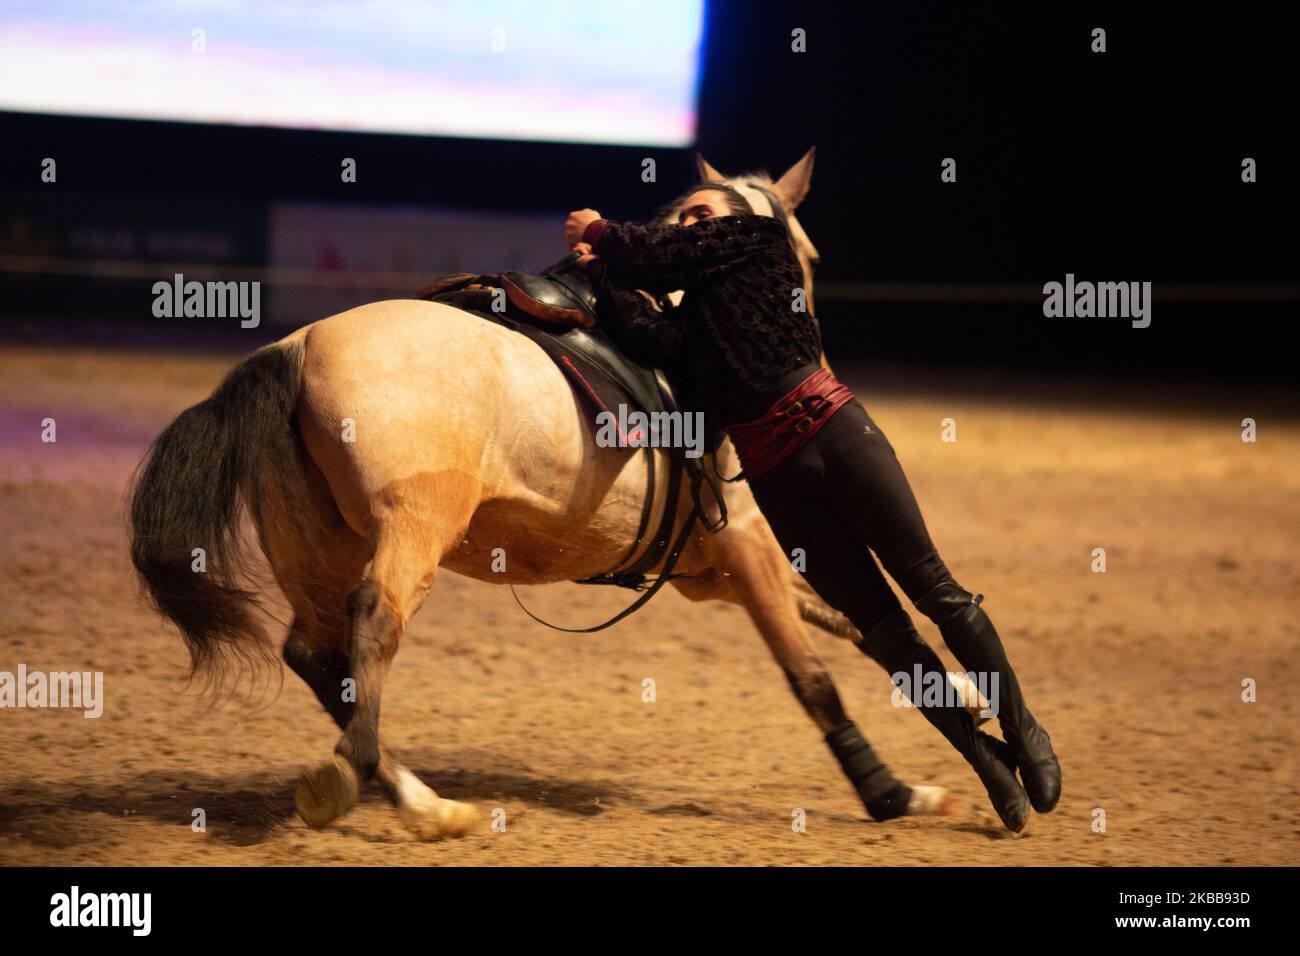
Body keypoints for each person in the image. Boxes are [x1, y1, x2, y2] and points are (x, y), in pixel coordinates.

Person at [563, 185, 1061, 831]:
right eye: (684, 215)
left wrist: (601, 232)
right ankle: (982, 756)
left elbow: (659, 251)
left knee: (935, 590)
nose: (691, 222)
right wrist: (602, 275)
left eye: (703, 213)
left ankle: (1022, 729)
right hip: (775, 477)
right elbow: (646, 333)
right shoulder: (695, 319)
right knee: (885, 631)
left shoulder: (757, 241)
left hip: (835, 435)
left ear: (736, 221)